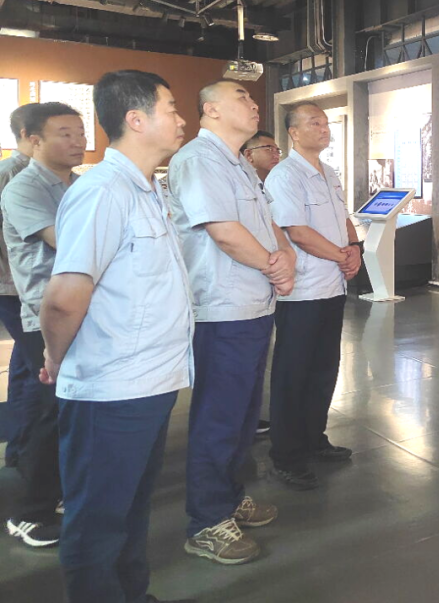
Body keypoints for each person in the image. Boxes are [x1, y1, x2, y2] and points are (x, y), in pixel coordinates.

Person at [38, 70, 194, 603]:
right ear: (136, 119)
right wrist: (55, 359)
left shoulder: (145, 188)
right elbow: (64, 298)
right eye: (171, 108)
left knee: (130, 510)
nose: (182, 120)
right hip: (110, 389)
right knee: (99, 520)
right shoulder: (102, 192)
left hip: (148, 382)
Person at [168, 79, 294, 565]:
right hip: (221, 309)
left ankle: (228, 496)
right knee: (219, 417)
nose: (252, 102)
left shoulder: (238, 162)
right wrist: (275, 266)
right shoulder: (198, 160)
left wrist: (285, 255)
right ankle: (205, 522)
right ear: (211, 109)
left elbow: (266, 223)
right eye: (240, 96)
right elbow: (223, 231)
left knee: (242, 415)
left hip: (252, 304)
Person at [264, 103, 361, 490]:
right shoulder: (285, 175)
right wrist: (342, 256)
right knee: (293, 374)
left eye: (325, 122)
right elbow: (297, 232)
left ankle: (313, 438)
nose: (324, 128)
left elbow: (344, 219)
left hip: (332, 285)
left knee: (324, 368)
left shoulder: (329, 172)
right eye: (314, 123)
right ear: (293, 132)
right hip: (301, 291)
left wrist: (355, 249)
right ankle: (286, 455)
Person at [2, 102, 85, 547]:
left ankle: (62, 491)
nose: (78, 141)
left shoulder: (80, 184)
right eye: (65, 134)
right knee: (50, 411)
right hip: (47, 316)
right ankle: (30, 513)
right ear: (34, 140)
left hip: (86, 310)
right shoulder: (23, 188)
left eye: (80, 132)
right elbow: (71, 243)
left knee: (76, 408)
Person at [1, 104, 36, 470]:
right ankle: (25, 452)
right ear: (28, 135)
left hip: (23, 286)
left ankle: (20, 448)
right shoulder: (12, 174)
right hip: (14, 287)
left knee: (26, 367)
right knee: (36, 365)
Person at [242, 128, 282, 438]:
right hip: (242, 289)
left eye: (277, 148)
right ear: (249, 155)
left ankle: (250, 419)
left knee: (256, 363)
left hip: (267, 287)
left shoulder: (264, 185)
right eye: (267, 148)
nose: (275, 153)